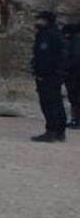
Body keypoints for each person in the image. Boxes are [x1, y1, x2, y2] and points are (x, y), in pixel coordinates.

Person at [30, 10, 67, 142]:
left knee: (48, 102)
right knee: (57, 102)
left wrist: (40, 72)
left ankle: (51, 131)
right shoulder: (58, 34)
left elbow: (44, 57)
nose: (37, 22)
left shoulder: (47, 35)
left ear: (46, 21)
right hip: (57, 74)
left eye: (39, 19)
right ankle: (60, 131)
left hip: (48, 75)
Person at [63, 22, 80, 129]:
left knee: (75, 97)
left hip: (74, 74)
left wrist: (65, 68)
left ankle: (76, 120)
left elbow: (75, 57)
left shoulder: (74, 41)